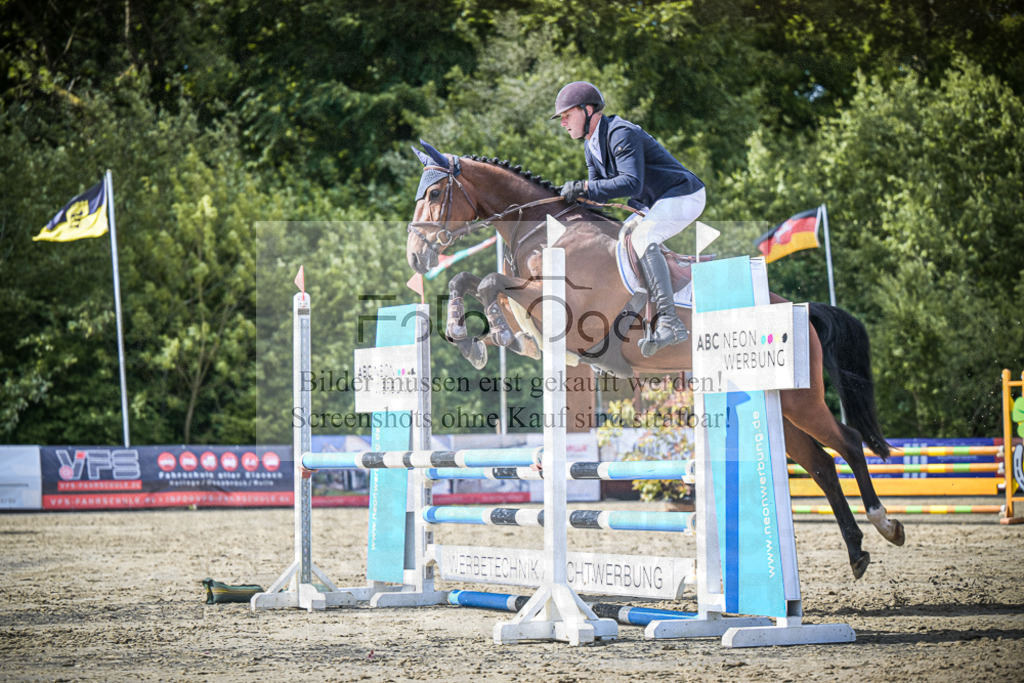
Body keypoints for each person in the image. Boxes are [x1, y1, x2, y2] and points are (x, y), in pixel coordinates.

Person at [552, 81, 705, 357]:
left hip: (683, 194)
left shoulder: (621, 132)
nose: (563, 123)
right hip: (653, 203)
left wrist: (584, 188)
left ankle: (670, 322)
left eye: (566, 115)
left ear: (588, 110)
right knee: (618, 244)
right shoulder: (591, 146)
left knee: (644, 237)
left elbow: (631, 184)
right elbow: (599, 194)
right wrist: (574, 197)